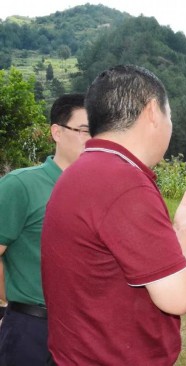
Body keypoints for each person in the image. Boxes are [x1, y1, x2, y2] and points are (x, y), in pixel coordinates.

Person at [41, 65, 186, 365]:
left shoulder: (82, 171)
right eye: (170, 114)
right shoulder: (123, 182)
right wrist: (183, 248)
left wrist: (177, 229)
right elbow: (179, 296)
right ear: (153, 111)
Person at [0, 93, 90, 366]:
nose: (93, 139)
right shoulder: (22, 185)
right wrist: (8, 302)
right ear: (57, 132)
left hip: (85, 332)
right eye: (85, 130)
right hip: (32, 328)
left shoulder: (96, 191)